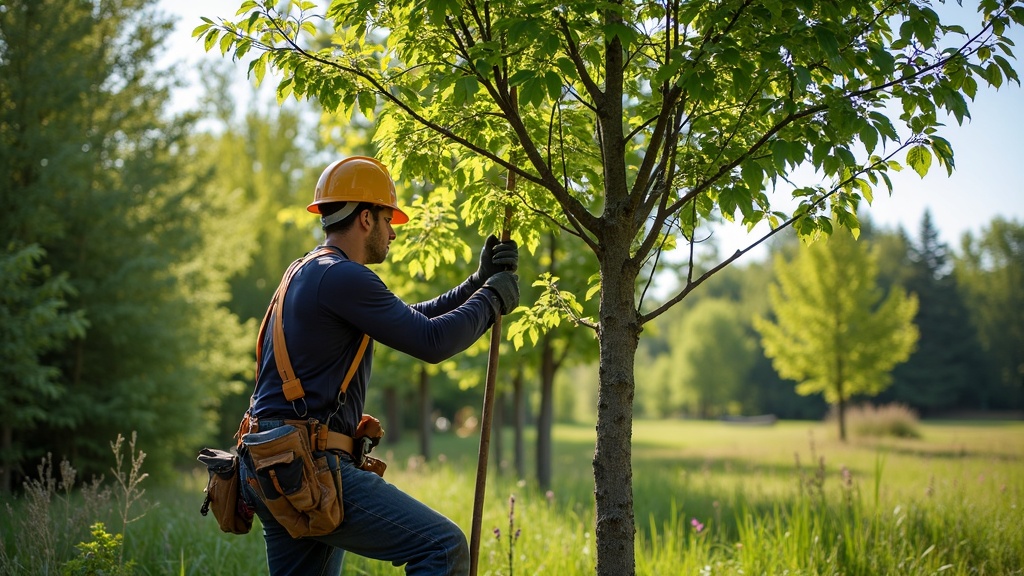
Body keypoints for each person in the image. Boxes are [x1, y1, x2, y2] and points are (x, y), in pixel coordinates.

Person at [236, 156, 520, 576]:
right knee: (443, 548)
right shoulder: (343, 277)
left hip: (273, 465)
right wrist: (493, 301)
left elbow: (412, 319)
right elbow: (432, 341)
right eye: (388, 220)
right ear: (365, 218)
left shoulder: (307, 271)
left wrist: (476, 284)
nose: (392, 232)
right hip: (310, 467)